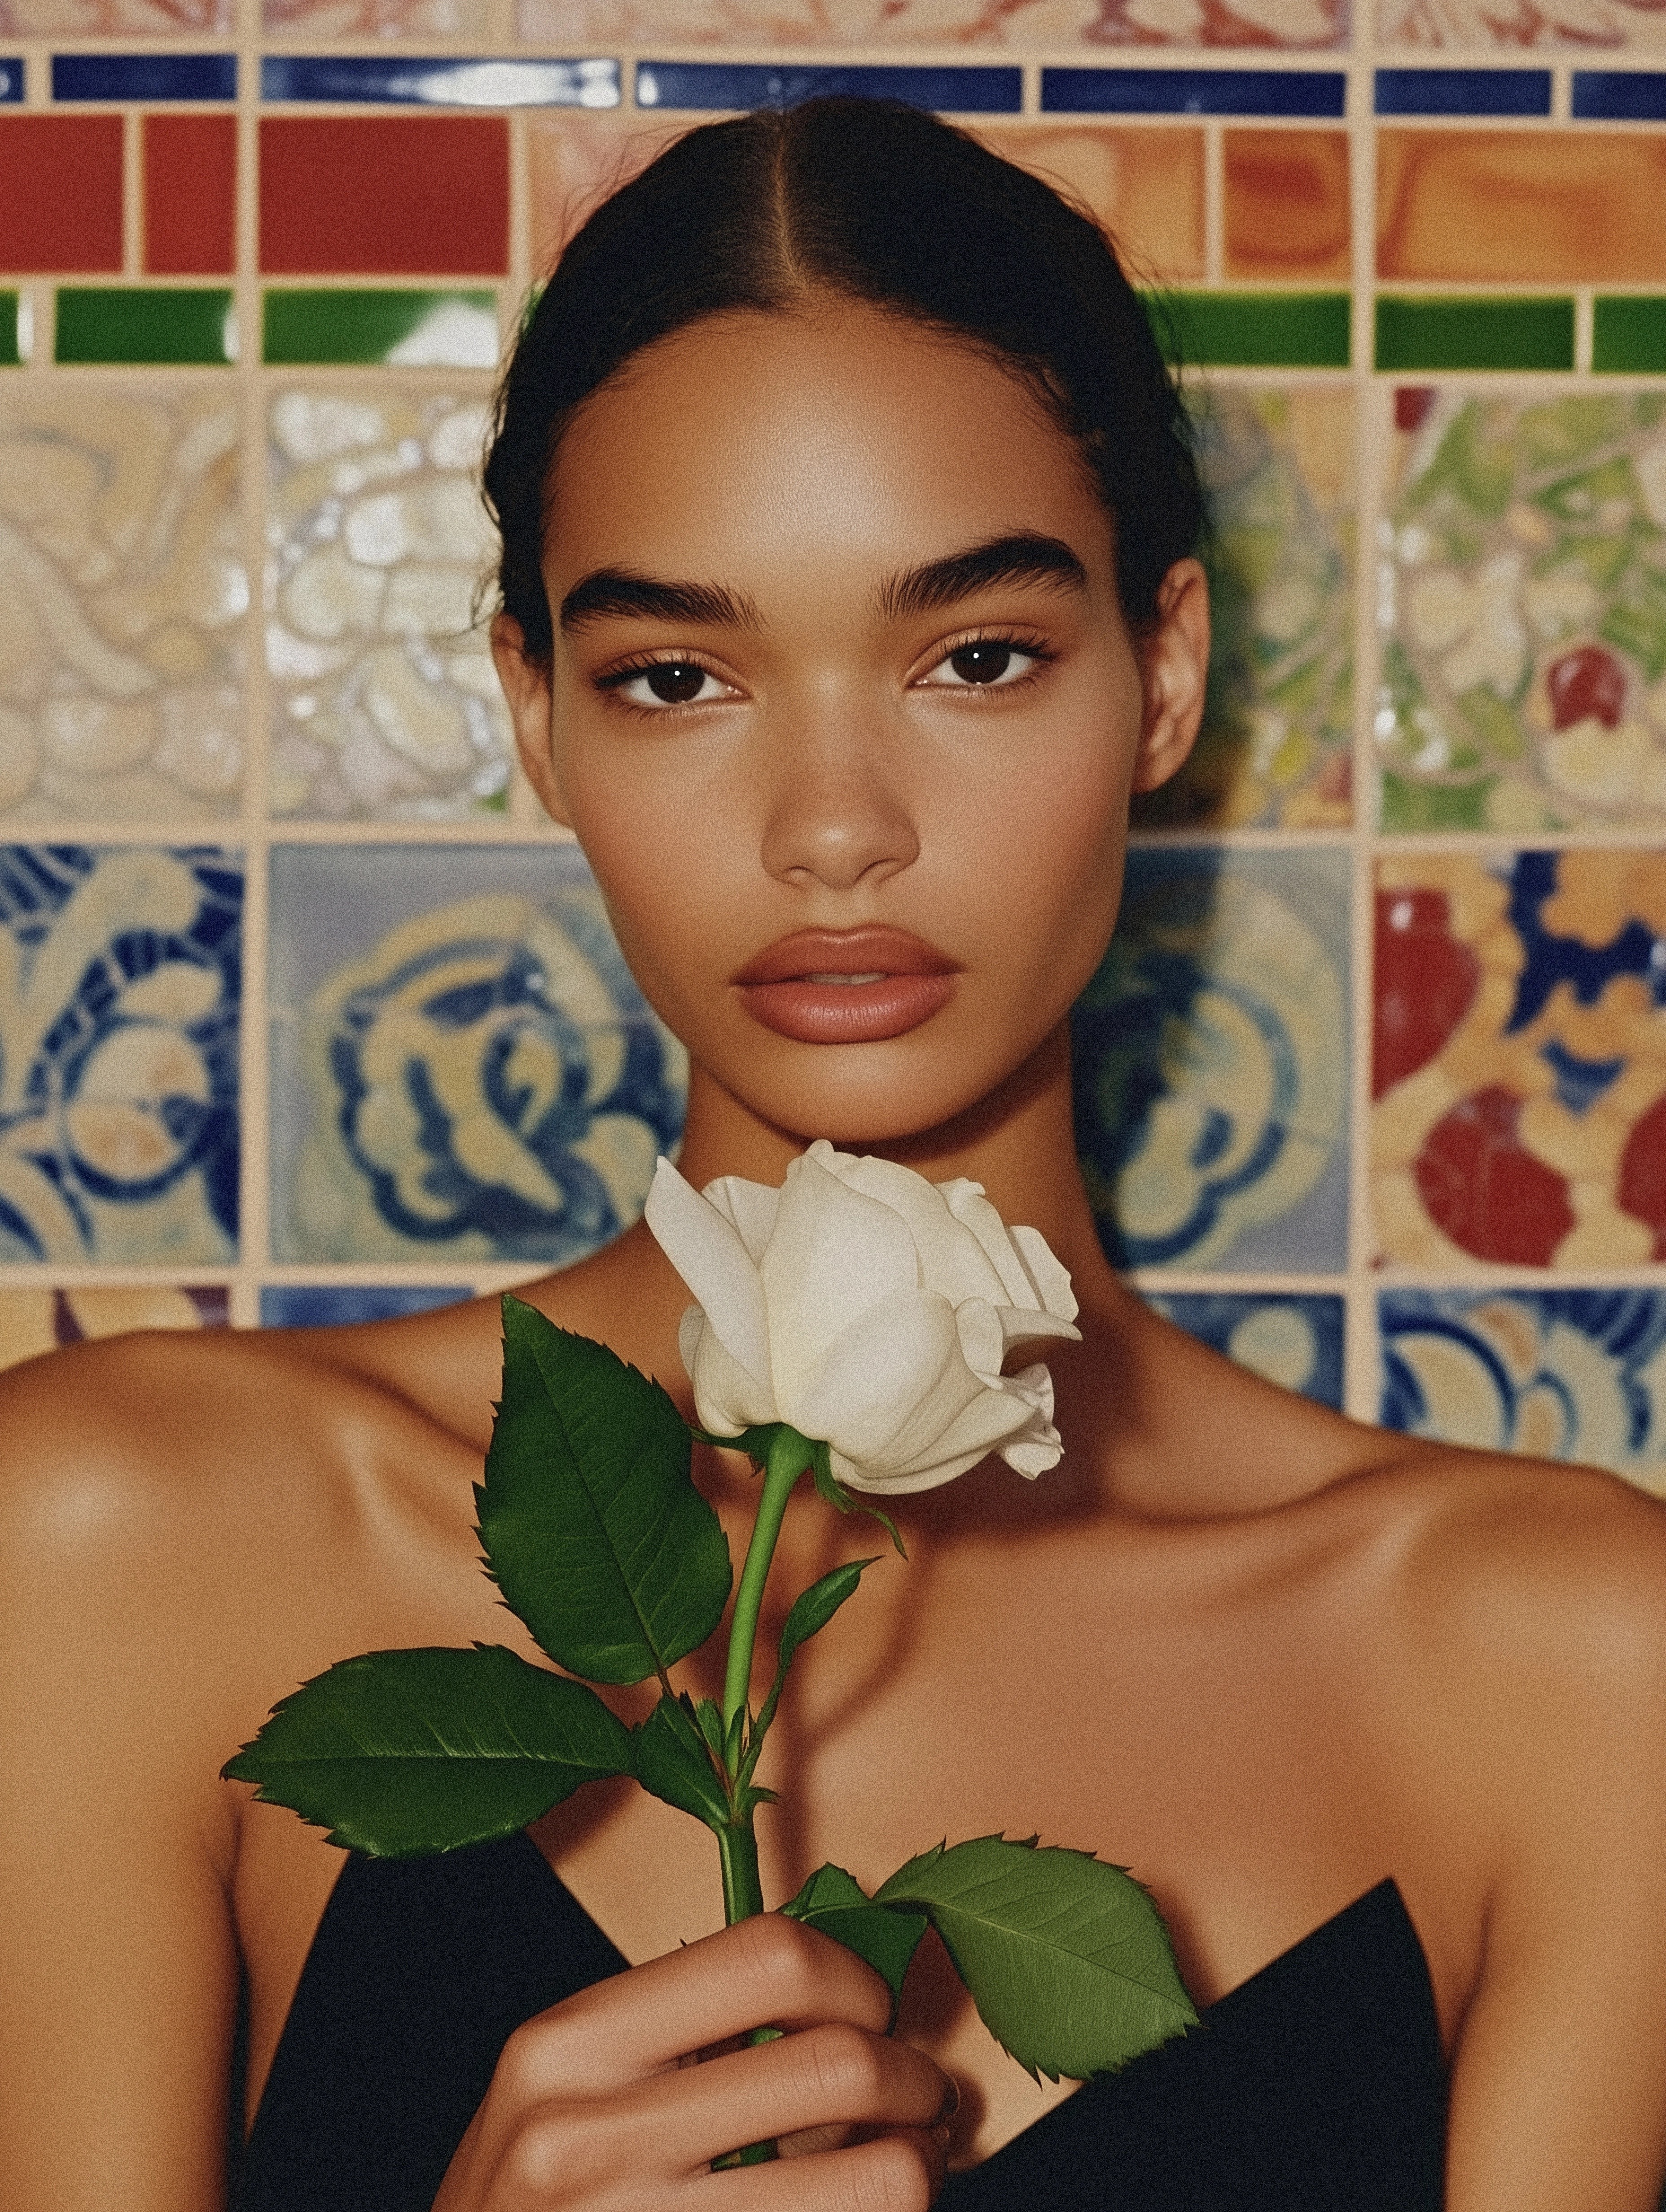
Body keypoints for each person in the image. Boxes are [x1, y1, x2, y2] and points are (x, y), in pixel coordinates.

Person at [3, 95, 1666, 2212]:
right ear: (536, 717)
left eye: (976, 656)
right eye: (678, 673)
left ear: (1161, 675)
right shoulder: (123, 1541)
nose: (831, 823)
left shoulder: (1564, 1668)